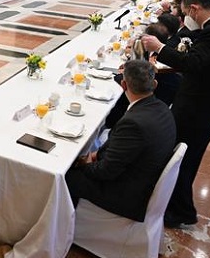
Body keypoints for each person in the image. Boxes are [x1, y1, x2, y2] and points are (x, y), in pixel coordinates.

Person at [141, 0, 210, 228]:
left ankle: (181, 211)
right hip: (204, 106)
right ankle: (179, 207)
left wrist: (160, 47)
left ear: (194, 9)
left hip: (199, 110)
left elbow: (193, 64)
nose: (186, 18)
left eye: (186, 13)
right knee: (183, 159)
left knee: (182, 160)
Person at [66, 60, 176, 222]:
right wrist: (95, 155)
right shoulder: (162, 108)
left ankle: (62, 228)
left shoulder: (133, 123)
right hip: (142, 177)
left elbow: (105, 172)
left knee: (65, 175)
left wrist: (85, 163)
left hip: (127, 195)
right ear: (155, 84)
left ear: (123, 85)